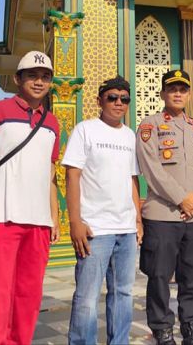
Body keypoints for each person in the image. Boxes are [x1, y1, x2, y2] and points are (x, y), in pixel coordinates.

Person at [0, 51, 61, 345]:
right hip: (1, 216)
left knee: (27, 295)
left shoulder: (53, 123)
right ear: (17, 79)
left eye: (45, 77)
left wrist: (54, 217)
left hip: (38, 223)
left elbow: (49, 174)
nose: (39, 81)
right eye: (32, 75)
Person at [64, 76, 142, 345]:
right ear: (100, 101)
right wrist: (75, 221)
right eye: (112, 97)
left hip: (126, 229)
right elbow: (72, 176)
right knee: (86, 297)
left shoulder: (130, 135)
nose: (119, 103)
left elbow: (132, 179)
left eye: (124, 99)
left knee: (123, 294)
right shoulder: (85, 130)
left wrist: (138, 219)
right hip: (95, 229)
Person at [136, 70, 193, 345]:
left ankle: (192, 328)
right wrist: (182, 198)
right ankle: (162, 330)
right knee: (158, 276)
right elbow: (151, 169)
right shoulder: (150, 125)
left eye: (183, 89)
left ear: (189, 94)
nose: (178, 93)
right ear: (163, 94)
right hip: (162, 214)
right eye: (172, 89)